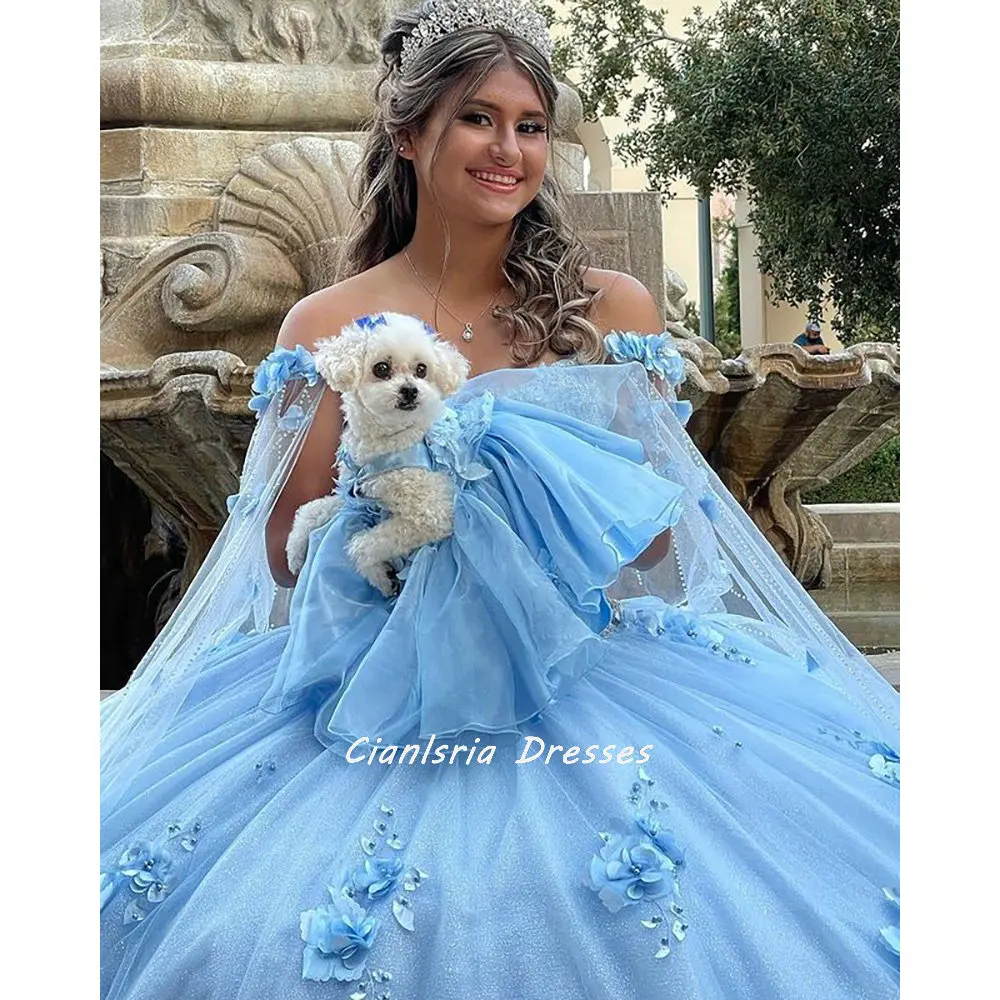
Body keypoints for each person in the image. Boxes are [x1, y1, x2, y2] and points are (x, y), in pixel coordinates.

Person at [99, 3, 900, 998]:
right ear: (409, 131)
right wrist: (394, 527)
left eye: (529, 124)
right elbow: (278, 548)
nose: (509, 149)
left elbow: (658, 545)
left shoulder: (609, 309)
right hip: (379, 685)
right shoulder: (331, 321)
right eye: (478, 118)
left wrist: (540, 513)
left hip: (584, 668)